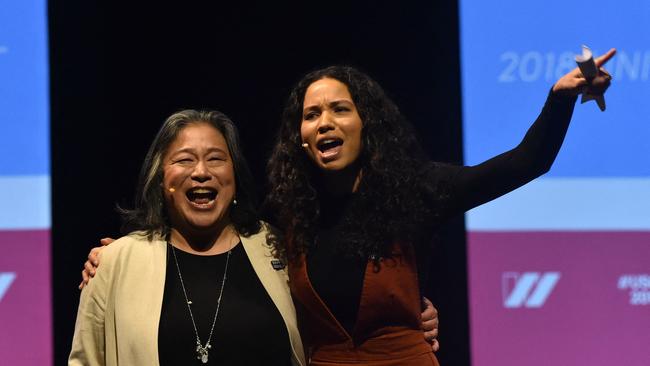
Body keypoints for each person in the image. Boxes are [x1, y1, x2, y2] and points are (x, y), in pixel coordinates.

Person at [261, 49, 615, 365]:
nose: (325, 123)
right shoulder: (289, 212)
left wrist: (559, 100)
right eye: (311, 115)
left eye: (340, 110)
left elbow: (526, 162)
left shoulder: (417, 190)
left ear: (365, 124)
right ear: (302, 139)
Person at [69, 110, 306, 365]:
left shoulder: (277, 247)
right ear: (160, 178)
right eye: (184, 160)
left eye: (216, 159)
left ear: (235, 176)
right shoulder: (114, 263)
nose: (201, 172)